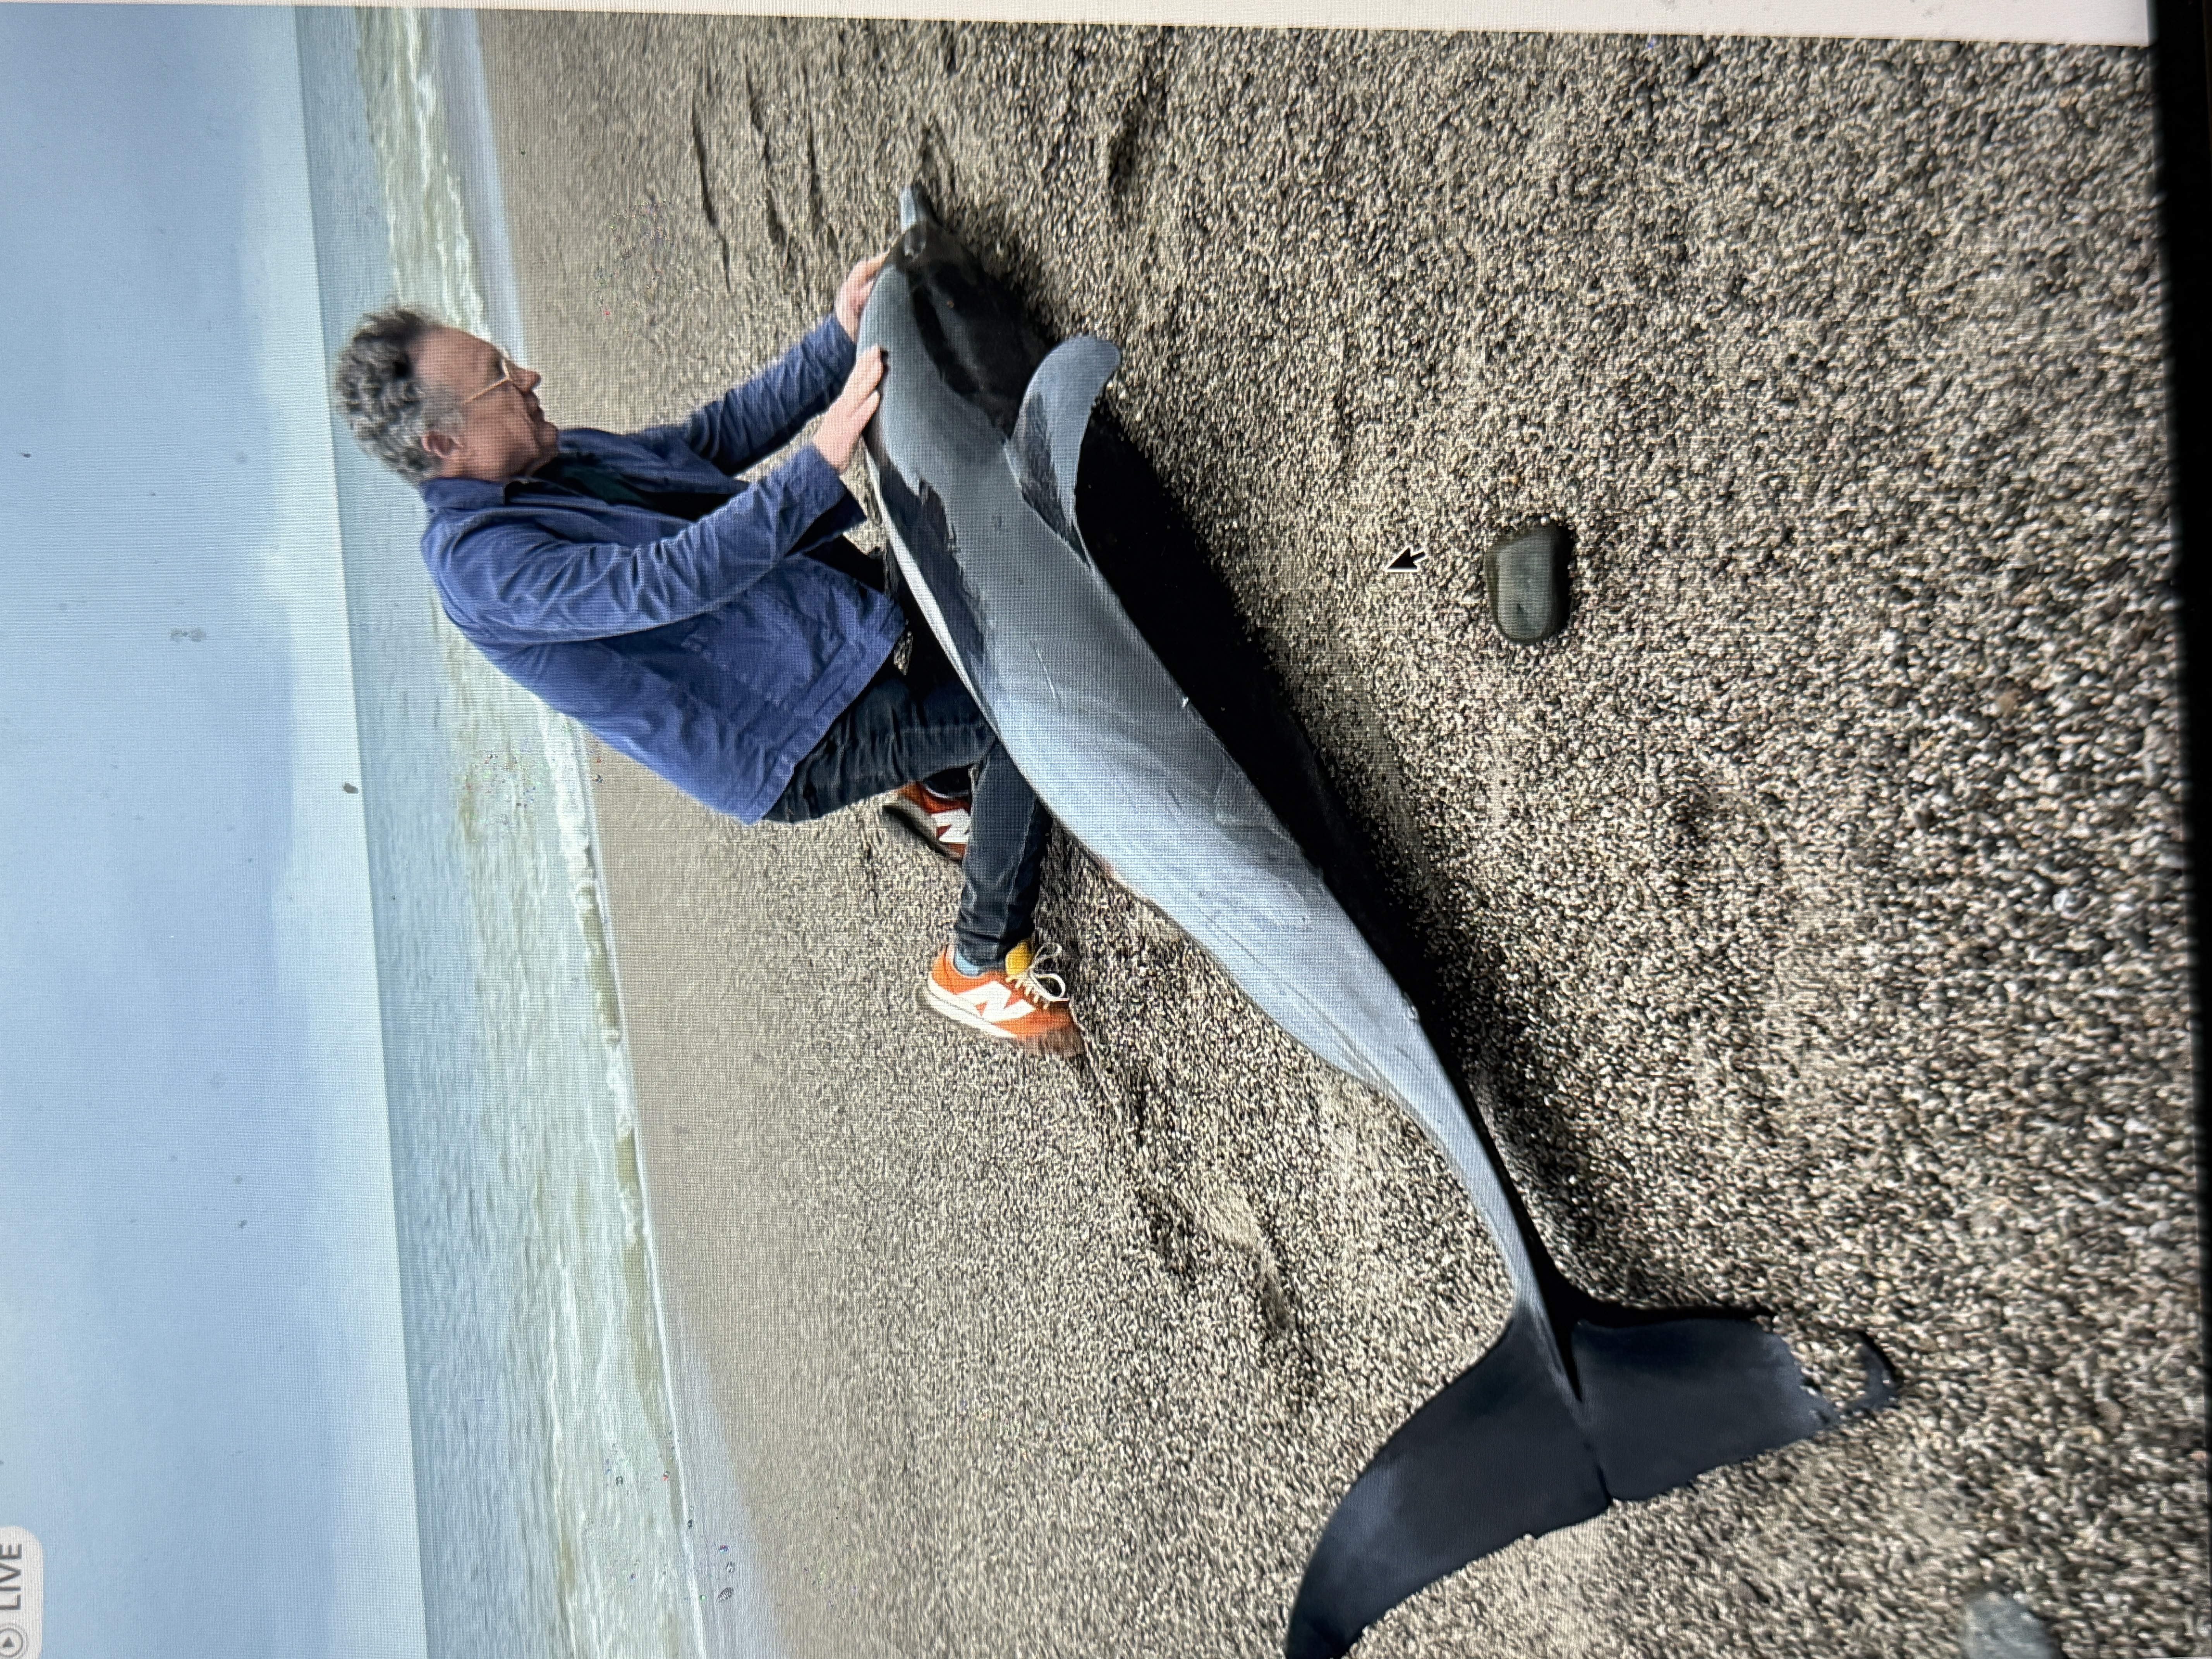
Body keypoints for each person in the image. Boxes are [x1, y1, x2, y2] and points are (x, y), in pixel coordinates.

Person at [331, 253, 1081, 1056]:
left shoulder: (549, 457)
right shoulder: (481, 570)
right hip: (788, 737)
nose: (528, 376)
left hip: (809, 632)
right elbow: (662, 582)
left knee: (934, 556)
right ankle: (976, 962)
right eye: (498, 378)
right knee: (1013, 726)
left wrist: (836, 339)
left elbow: (703, 442)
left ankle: (938, 789)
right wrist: (820, 460)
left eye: (505, 359)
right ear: (444, 441)